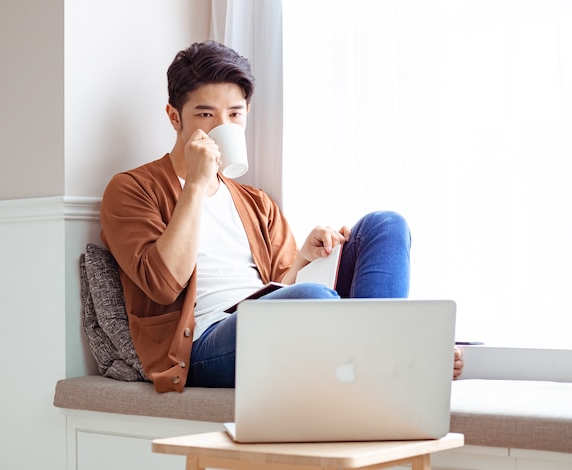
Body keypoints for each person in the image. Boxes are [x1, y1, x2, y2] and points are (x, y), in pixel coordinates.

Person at [100, 40, 463, 392]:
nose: (221, 126)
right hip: (204, 343)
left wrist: (304, 256)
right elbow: (163, 285)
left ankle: (380, 357)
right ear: (174, 116)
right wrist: (195, 184)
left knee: (386, 225)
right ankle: (398, 357)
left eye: (234, 114)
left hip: (269, 319)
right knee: (314, 302)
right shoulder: (131, 189)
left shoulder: (255, 201)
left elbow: (280, 289)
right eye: (205, 114)